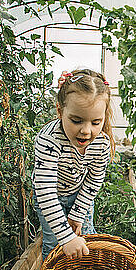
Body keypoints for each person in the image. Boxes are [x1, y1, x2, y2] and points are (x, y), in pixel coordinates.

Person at [31, 69, 115, 260]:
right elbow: (46, 193)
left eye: (96, 122)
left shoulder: (101, 143)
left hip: (80, 194)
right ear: (60, 111)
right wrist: (66, 237)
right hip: (51, 198)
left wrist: (77, 213)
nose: (86, 131)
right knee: (55, 245)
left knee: (86, 239)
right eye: (76, 121)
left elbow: (94, 180)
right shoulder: (49, 140)